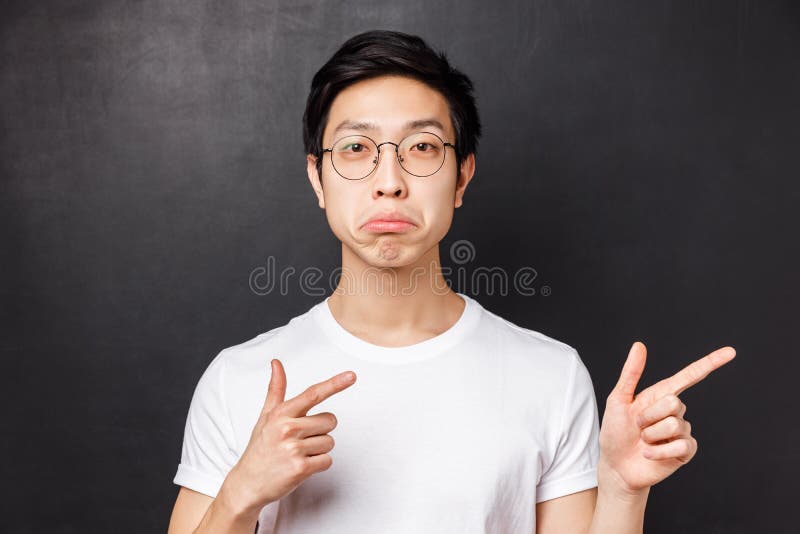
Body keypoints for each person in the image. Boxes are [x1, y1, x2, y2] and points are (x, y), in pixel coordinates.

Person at [167, 30, 735, 534]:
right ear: (318, 177)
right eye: (356, 149)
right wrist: (239, 497)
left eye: (421, 148)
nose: (389, 181)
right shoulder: (238, 380)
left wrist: (621, 489)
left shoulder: (551, 375)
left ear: (462, 176)